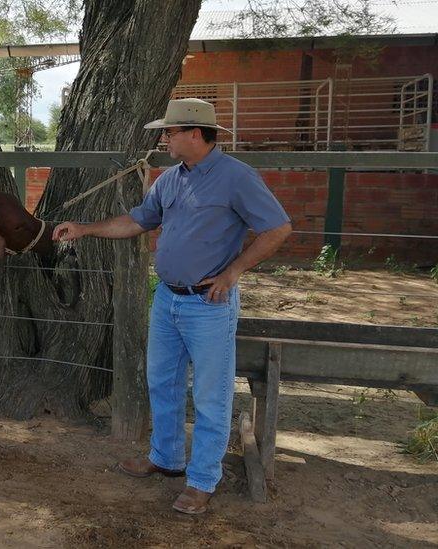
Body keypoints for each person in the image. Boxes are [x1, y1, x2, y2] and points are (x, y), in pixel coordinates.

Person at [53, 98, 292, 514]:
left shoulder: (237, 177)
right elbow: (139, 221)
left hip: (209, 304)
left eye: (170, 132)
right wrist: (86, 229)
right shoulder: (169, 179)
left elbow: (278, 228)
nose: (164, 139)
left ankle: (201, 481)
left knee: (210, 394)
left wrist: (233, 271)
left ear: (195, 134)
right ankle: (165, 459)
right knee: (161, 382)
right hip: (167, 299)